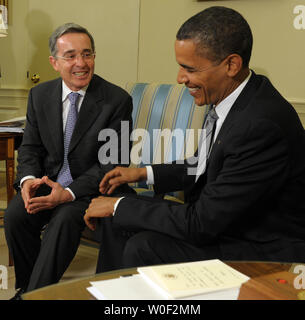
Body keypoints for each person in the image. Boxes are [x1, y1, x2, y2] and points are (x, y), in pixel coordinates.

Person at [84, 6, 305, 273]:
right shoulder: (236, 95)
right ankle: (114, 296)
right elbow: (204, 163)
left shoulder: (260, 125)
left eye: (189, 68)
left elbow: (201, 223)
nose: (180, 78)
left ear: (231, 65)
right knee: (116, 218)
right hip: (226, 222)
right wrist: (142, 173)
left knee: (143, 244)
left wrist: (119, 205)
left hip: (260, 246)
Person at [4, 23, 134, 299]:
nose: (81, 63)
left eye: (87, 54)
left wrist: (69, 193)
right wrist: (28, 180)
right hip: (49, 181)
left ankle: (35, 296)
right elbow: (30, 148)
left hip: (91, 187)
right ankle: (30, 289)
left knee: (63, 220)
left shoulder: (116, 101)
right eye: (71, 56)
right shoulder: (40, 96)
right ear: (54, 62)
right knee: (16, 214)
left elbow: (112, 163)